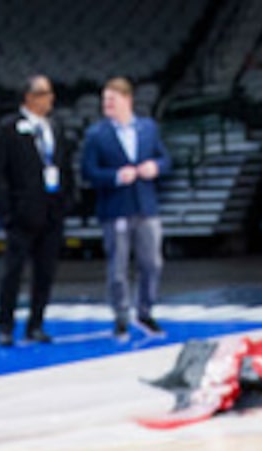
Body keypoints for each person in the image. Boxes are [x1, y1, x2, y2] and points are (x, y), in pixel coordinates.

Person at [81, 76, 170, 338]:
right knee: (118, 267)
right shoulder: (96, 134)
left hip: (146, 206)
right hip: (115, 207)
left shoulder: (148, 128)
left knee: (152, 263)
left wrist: (156, 167)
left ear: (127, 100)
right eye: (105, 100)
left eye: (112, 99)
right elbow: (88, 171)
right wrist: (116, 176)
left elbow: (165, 158)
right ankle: (120, 316)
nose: (107, 104)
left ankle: (146, 311)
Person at [0, 75, 65, 345]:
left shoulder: (55, 126)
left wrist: (66, 200)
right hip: (21, 214)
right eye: (44, 93)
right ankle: (5, 325)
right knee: (13, 272)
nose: (50, 99)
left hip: (51, 211)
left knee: (45, 272)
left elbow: (63, 165)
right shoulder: (7, 128)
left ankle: (36, 324)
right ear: (29, 97)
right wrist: (6, 212)